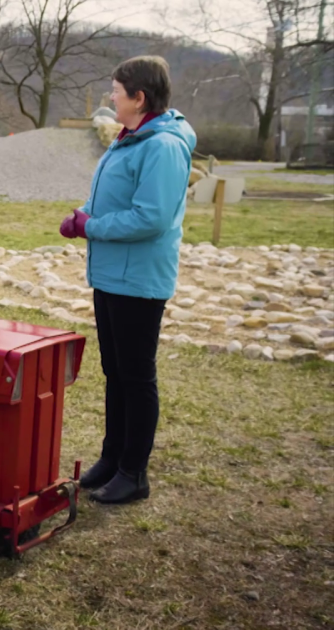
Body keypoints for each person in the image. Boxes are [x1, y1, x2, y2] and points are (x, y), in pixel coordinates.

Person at [59, 55, 196, 505]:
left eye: (116, 92)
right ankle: (112, 458)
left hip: (139, 280)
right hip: (113, 276)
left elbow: (150, 218)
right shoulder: (131, 139)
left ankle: (134, 472)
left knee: (136, 377)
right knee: (115, 372)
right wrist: (84, 213)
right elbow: (115, 198)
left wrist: (89, 227)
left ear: (139, 97)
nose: (110, 99)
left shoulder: (162, 146)